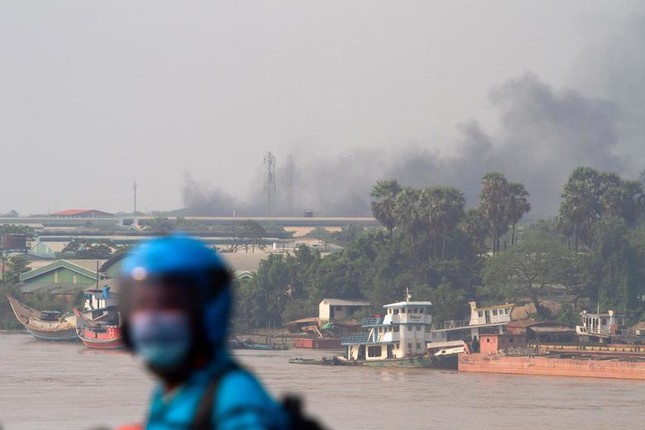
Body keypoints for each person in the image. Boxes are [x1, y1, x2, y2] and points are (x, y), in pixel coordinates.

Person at [118, 235, 290, 430]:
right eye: (143, 304)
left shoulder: (235, 399)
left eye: (171, 304)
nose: (153, 318)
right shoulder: (173, 391)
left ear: (209, 311)